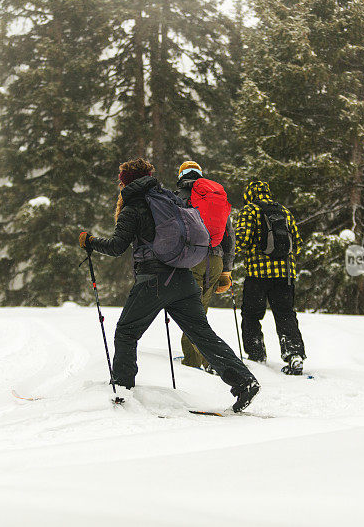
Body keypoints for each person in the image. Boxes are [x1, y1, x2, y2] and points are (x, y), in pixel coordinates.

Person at [78, 158, 260, 412]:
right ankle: (244, 381)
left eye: (121, 180)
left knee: (126, 332)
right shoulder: (168, 199)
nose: (119, 184)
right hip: (183, 279)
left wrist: (91, 241)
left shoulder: (135, 208)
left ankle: (122, 391)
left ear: (127, 182)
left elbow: (117, 247)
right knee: (202, 334)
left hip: (154, 280)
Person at [235, 180, 307, 375]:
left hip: (258, 275)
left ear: (249, 195)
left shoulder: (249, 210)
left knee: (251, 315)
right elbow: (297, 244)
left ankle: (256, 355)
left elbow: (241, 241)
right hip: (285, 275)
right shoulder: (284, 211)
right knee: (285, 314)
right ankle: (294, 355)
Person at [173, 161, 235, 373]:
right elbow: (229, 237)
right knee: (201, 311)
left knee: (190, 312)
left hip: (191, 260)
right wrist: (226, 270)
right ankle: (210, 359)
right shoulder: (214, 196)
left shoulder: (178, 197)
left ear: (181, 175)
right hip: (215, 260)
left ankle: (195, 362)